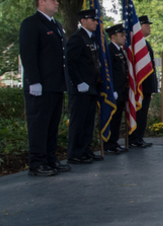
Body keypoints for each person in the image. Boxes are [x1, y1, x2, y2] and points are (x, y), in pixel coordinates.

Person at [19, 0, 70, 177]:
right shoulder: (31, 23)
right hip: (39, 86)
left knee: (51, 125)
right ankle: (37, 163)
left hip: (55, 85)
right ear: (41, 1)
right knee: (39, 125)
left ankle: (50, 159)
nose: (57, 2)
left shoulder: (56, 25)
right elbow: (28, 54)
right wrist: (33, 80)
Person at [65, 9, 103, 164]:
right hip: (80, 88)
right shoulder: (77, 39)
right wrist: (78, 82)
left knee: (88, 122)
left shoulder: (92, 39)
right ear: (83, 21)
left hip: (91, 87)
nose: (96, 22)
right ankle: (74, 153)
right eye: (93, 20)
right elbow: (70, 63)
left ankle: (85, 150)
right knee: (78, 122)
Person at [130, 15, 156, 148]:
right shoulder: (136, 44)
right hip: (140, 86)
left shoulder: (145, 43)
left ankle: (139, 137)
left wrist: (152, 87)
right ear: (139, 26)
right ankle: (134, 138)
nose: (149, 27)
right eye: (147, 24)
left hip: (146, 87)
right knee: (139, 113)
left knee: (143, 114)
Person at [105, 23, 129, 154]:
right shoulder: (109, 50)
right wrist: (111, 89)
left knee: (117, 118)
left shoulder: (119, 51)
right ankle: (108, 143)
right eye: (122, 35)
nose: (124, 38)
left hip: (121, 90)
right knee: (112, 118)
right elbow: (108, 71)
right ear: (113, 36)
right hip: (114, 91)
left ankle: (113, 142)